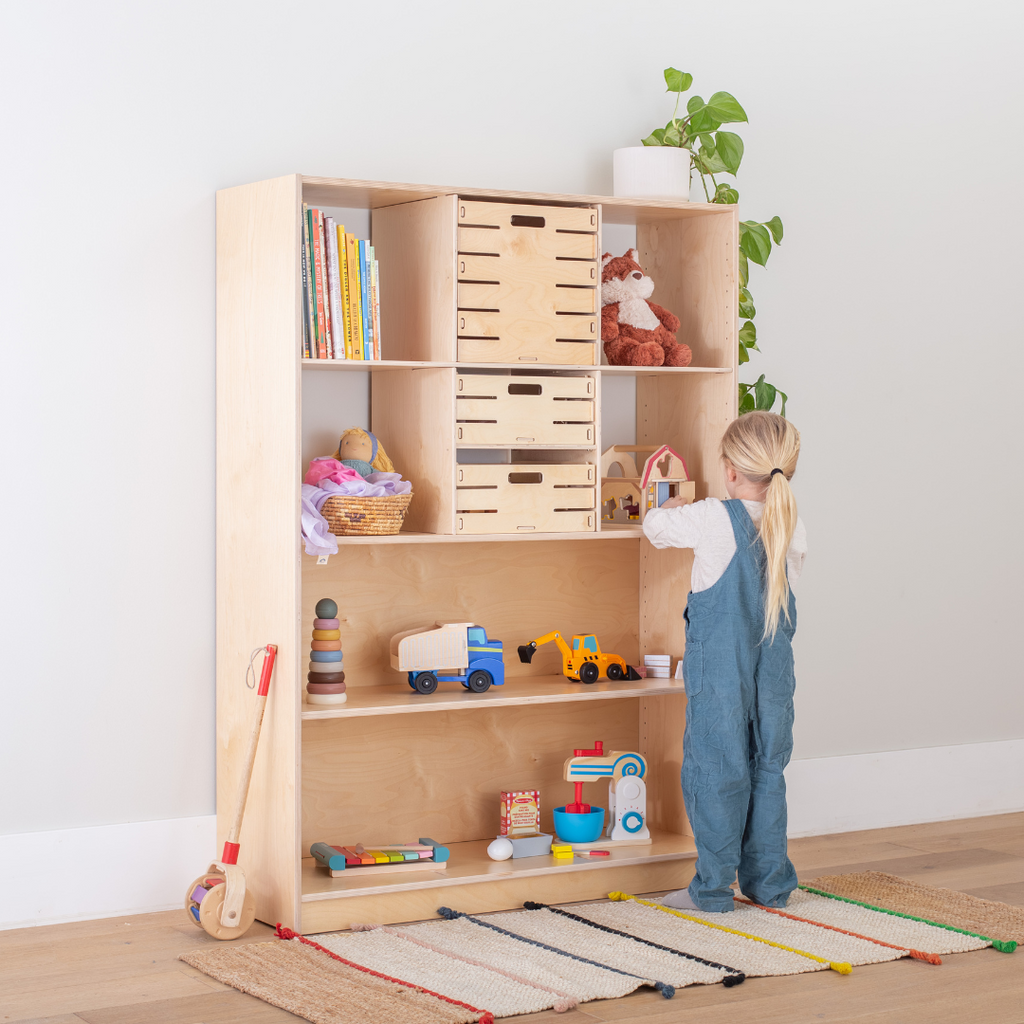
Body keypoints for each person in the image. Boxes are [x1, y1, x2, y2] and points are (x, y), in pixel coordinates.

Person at [643, 411, 806, 912]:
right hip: (773, 668)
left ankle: (712, 889)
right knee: (766, 765)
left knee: (718, 765)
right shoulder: (792, 522)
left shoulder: (713, 515)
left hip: (722, 668)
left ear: (731, 470)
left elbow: (654, 528)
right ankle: (770, 883)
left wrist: (669, 500)